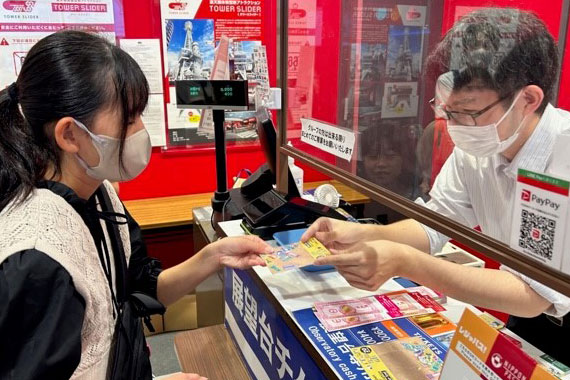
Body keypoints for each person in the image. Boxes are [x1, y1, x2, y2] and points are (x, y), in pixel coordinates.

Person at [302, 8, 570, 363]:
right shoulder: (481, 143)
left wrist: (404, 262)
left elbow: (532, 293)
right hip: (531, 318)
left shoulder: (561, 160)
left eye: (468, 112)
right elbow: (434, 224)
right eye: (446, 110)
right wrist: (359, 234)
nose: (454, 125)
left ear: (529, 99)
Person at [0, 31, 272, 380]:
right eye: (129, 120)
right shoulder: (36, 259)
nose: (142, 131)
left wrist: (213, 256)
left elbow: (136, 288)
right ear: (69, 135)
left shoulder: (99, 194)